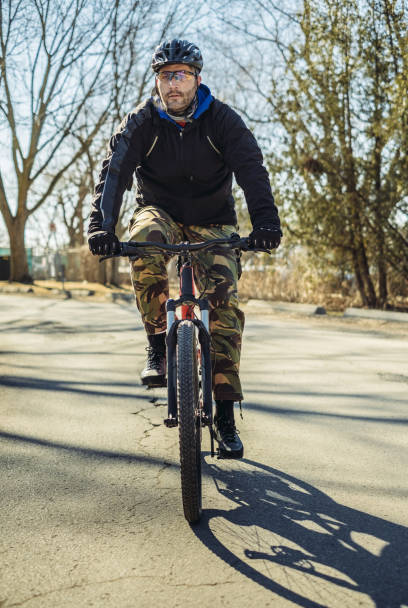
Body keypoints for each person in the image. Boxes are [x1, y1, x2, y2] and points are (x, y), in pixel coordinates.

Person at [88, 39, 281, 459]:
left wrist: (266, 223)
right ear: (156, 81)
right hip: (159, 211)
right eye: (164, 76)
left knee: (223, 302)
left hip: (214, 220)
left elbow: (252, 169)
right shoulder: (141, 122)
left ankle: (226, 413)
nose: (172, 85)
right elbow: (115, 171)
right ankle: (158, 342)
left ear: (197, 78)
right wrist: (100, 226)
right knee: (145, 242)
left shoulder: (224, 121)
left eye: (180, 75)